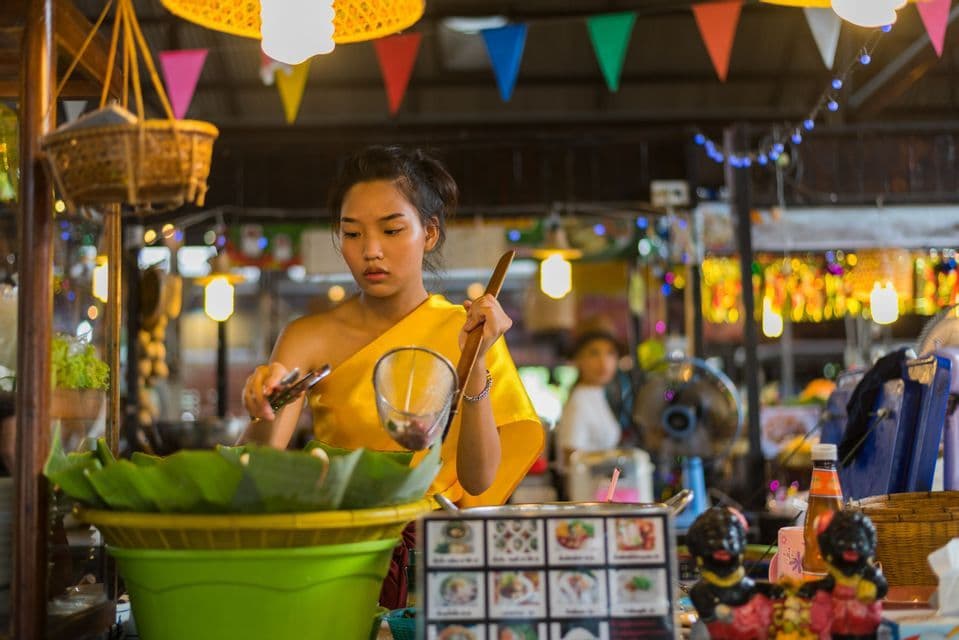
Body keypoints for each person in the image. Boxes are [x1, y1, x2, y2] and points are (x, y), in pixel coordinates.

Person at [240, 146, 544, 509]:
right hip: (342, 542)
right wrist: (263, 408)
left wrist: (475, 362)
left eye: (392, 229)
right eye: (352, 234)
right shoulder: (306, 338)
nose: (371, 250)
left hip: (431, 546)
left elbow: (477, 483)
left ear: (429, 234)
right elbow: (251, 474)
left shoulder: (470, 330)